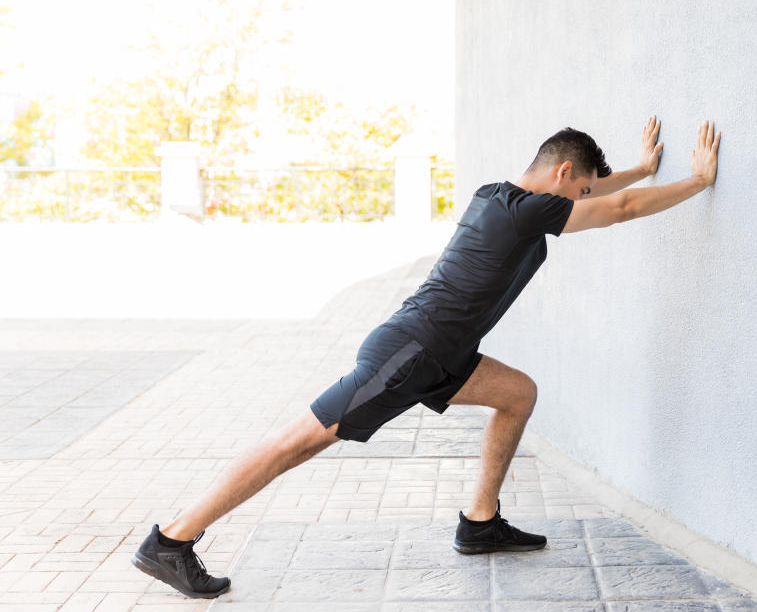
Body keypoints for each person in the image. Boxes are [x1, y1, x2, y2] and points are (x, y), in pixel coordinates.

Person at [131, 117, 721, 598]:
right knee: (297, 443)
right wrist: (696, 182)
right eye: (581, 188)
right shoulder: (527, 210)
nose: (582, 201)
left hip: (442, 354)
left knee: (518, 393)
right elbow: (617, 211)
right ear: (563, 172)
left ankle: (481, 522)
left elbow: (600, 199)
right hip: (409, 353)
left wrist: (641, 169)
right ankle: (173, 540)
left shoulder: (498, 196)